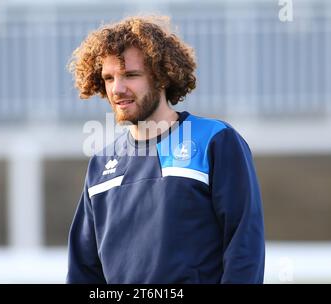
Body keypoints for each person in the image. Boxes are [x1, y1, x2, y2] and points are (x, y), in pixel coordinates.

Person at [66, 16, 265, 284]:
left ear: (162, 76)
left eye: (131, 75)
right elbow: (84, 270)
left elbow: (244, 244)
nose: (117, 89)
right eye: (109, 78)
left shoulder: (216, 140)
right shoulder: (101, 163)